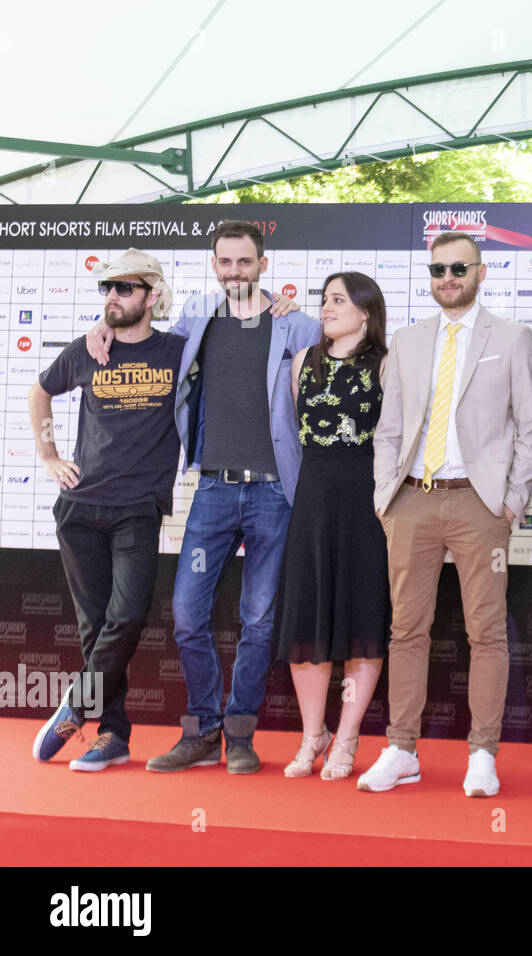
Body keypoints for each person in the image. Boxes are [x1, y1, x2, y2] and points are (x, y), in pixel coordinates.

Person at [87, 221, 313, 775]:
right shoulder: (196, 319)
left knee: (258, 619)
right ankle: (202, 731)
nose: (234, 271)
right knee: (187, 613)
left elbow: (354, 346)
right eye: (225, 262)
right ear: (214, 265)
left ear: (263, 263)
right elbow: (137, 322)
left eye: (244, 261)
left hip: (275, 494)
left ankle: (239, 734)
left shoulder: (299, 325)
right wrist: (100, 320)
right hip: (211, 488)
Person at [360, 232, 532, 797]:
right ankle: (400, 749)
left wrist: (510, 502)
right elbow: (388, 428)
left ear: (480, 272)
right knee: (405, 630)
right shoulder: (409, 340)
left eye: (458, 268)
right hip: (411, 500)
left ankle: (483, 753)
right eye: (438, 269)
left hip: (479, 503)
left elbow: (531, 428)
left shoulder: (512, 338)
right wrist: (384, 496)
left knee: (485, 632)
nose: (447, 278)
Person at [30, 250, 185, 770]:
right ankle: (113, 734)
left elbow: (230, 321)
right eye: (106, 289)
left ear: (152, 293)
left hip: (138, 509)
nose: (112, 296)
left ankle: (77, 706)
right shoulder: (87, 349)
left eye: (124, 287)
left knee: (127, 616)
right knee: (94, 625)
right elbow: (40, 392)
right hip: (80, 508)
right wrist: (49, 457)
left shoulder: (179, 352)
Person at [275, 272, 390, 781]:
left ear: (365, 311)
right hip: (312, 503)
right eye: (324, 300)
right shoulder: (304, 362)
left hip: (366, 508)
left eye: (337, 300)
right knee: (307, 623)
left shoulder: (386, 366)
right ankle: (311, 736)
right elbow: (297, 439)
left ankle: (346, 739)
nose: (326, 308)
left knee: (363, 625)